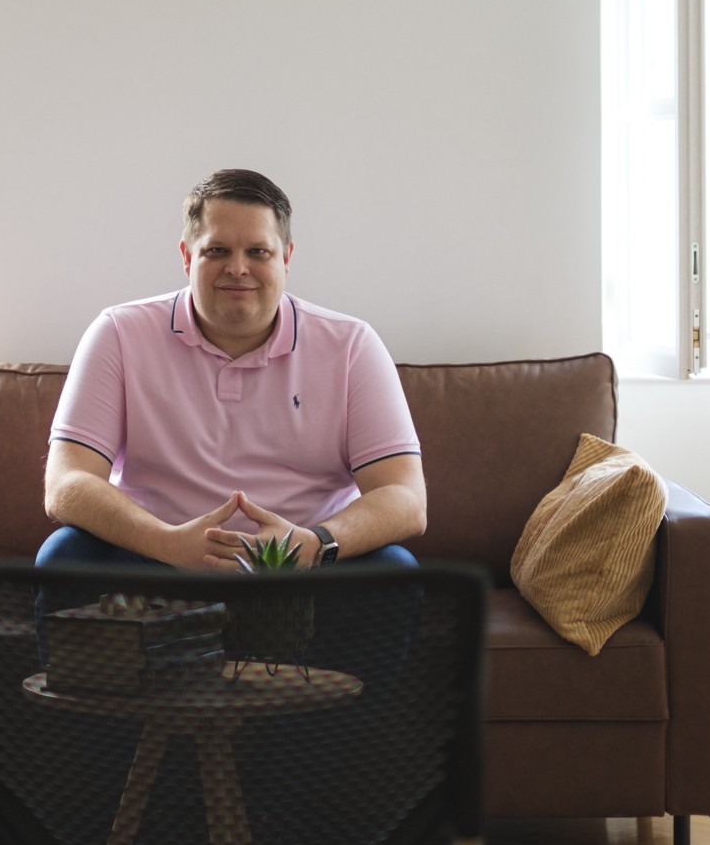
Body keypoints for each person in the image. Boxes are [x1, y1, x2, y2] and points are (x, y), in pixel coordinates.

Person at [37, 168, 426, 571]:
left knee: (394, 567)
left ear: (286, 258)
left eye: (258, 252)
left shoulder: (351, 345)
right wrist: (165, 543)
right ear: (187, 256)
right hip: (156, 559)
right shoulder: (118, 333)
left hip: (302, 568)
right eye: (217, 250)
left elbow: (406, 497)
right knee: (64, 555)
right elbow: (67, 483)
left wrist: (315, 544)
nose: (237, 268)